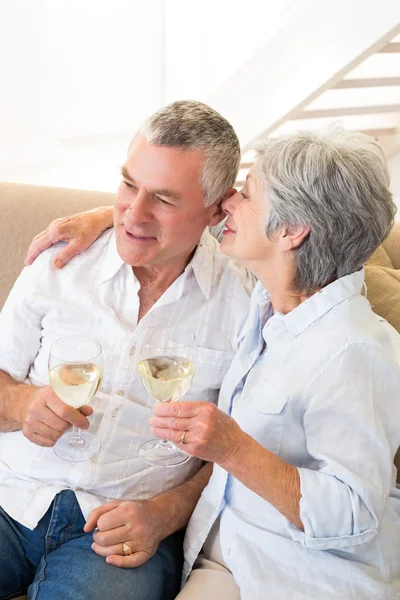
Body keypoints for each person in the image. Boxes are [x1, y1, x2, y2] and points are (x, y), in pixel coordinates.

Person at [35, 128, 400, 599]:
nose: (228, 203)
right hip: (225, 553)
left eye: (247, 195)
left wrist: (234, 449)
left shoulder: (354, 352)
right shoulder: (271, 300)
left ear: (291, 231)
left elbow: (353, 516)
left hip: (302, 574)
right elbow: (182, 213)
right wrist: (113, 216)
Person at [0, 101, 255, 600]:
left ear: (216, 208)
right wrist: (21, 404)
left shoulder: (246, 302)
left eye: (163, 198)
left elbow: (239, 454)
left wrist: (165, 515)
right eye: (128, 185)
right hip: (11, 498)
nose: (133, 215)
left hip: (124, 534)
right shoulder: (61, 262)